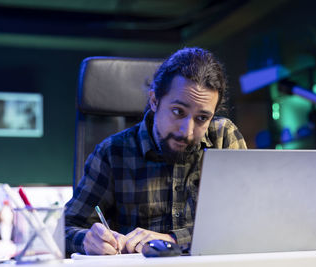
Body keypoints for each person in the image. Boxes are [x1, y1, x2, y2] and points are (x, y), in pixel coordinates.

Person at [65, 47, 247, 255]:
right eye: (178, 112)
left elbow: (248, 220)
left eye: (202, 118)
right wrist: (87, 240)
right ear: (154, 100)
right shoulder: (112, 153)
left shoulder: (223, 138)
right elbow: (65, 229)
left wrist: (173, 240)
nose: (186, 132)